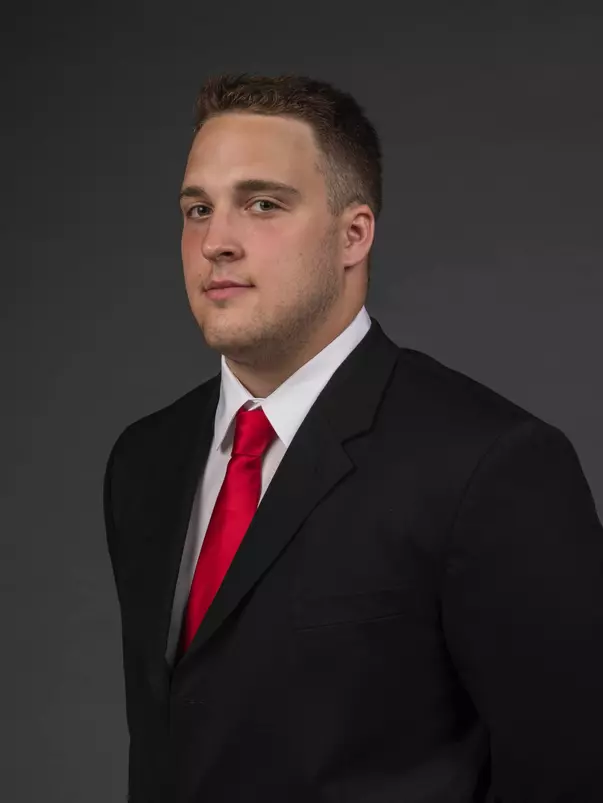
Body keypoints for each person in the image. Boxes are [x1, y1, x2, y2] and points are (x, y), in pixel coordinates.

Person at [102, 72, 603, 803]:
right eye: (197, 208)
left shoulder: (491, 465)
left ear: (353, 233)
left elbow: (573, 772)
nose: (215, 241)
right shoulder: (143, 460)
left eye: (262, 204)